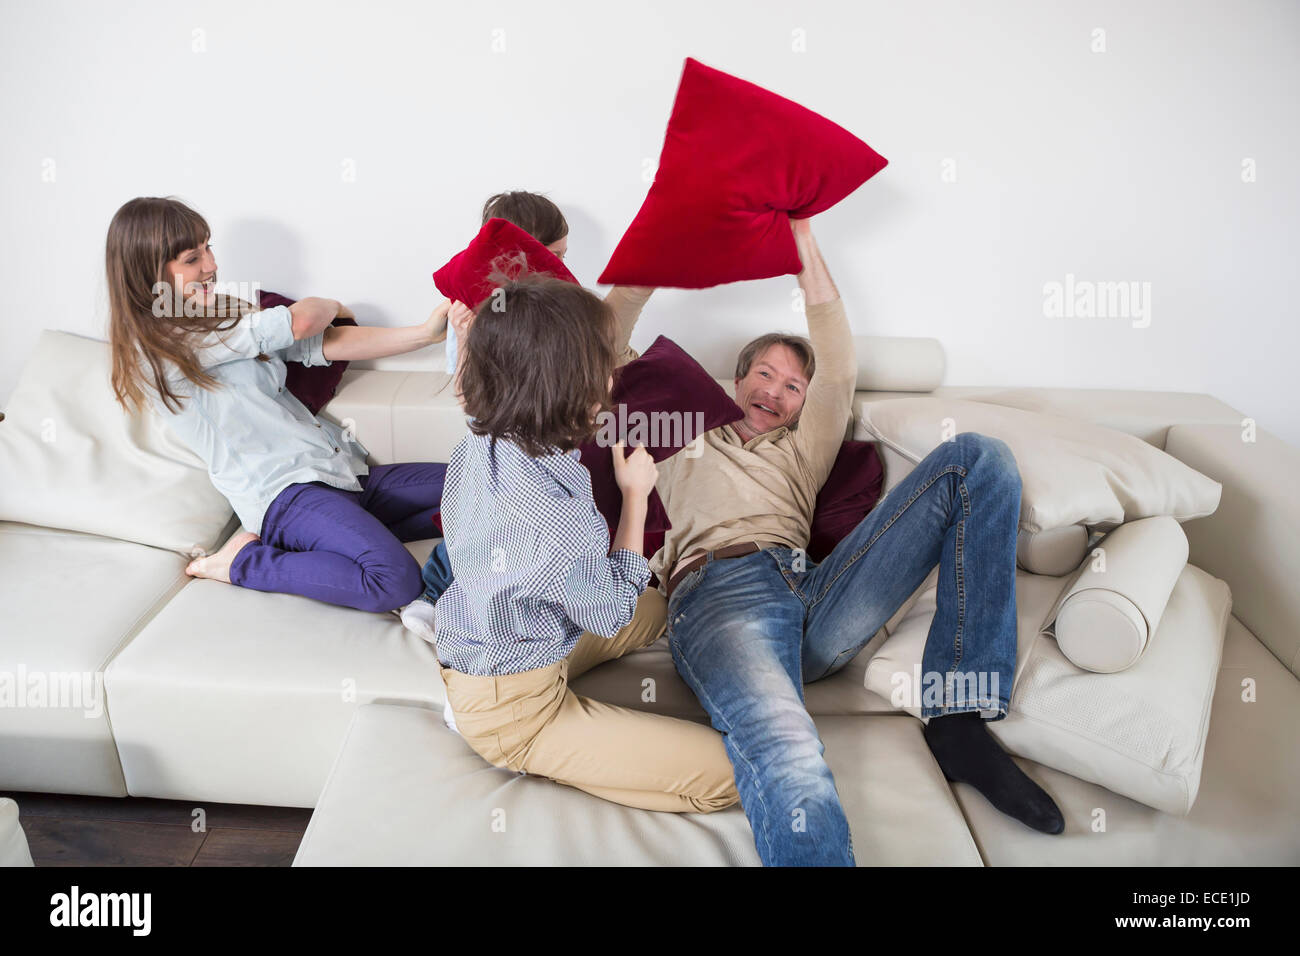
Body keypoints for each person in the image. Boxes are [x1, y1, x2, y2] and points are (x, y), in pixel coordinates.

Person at [624, 216, 1064, 865]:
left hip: (816, 597)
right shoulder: (684, 433)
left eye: (793, 385)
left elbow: (839, 364)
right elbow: (607, 350)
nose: (774, 391)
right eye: (764, 375)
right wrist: (655, 252)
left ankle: (959, 718)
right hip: (720, 595)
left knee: (977, 457)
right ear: (737, 379)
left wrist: (801, 239)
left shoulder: (804, 450)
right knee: (789, 749)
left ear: (807, 403)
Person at [433, 274, 737, 813]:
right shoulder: (550, 519)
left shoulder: (486, 432)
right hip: (514, 708)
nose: (612, 375)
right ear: (567, 381)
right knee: (727, 778)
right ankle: (529, 754)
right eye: (602, 362)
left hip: (504, 642)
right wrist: (636, 495)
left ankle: (538, 739)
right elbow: (611, 612)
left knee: (656, 607)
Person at [107, 196, 447, 612]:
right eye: (192, 258)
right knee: (394, 580)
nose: (211, 266)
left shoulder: (225, 313)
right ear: (149, 272)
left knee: (479, 487)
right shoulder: (157, 350)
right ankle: (244, 562)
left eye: (208, 248)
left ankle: (355, 539)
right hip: (286, 498)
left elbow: (319, 343)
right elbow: (302, 321)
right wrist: (331, 305)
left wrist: (426, 334)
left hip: (343, 473)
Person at [401, 190, 653, 639]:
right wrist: (463, 338)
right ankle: (436, 592)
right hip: (511, 456)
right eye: (551, 255)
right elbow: (471, 399)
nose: (560, 266)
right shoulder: (483, 323)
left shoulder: (567, 326)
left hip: (536, 451)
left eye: (561, 256)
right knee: (487, 527)